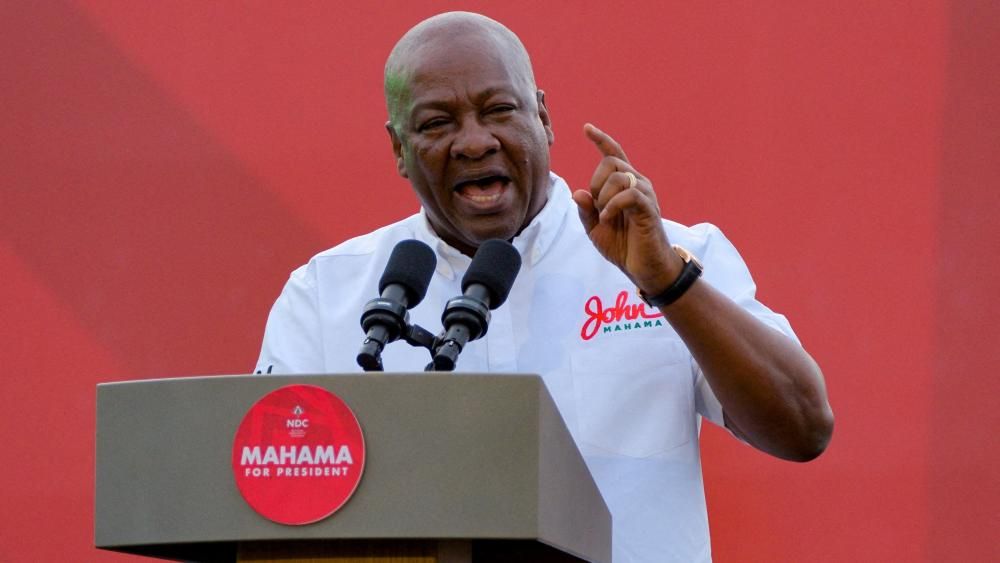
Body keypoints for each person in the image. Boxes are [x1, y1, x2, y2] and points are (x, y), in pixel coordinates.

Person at [256, 11, 833, 562]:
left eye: (499, 110)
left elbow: (803, 427)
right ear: (399, 150)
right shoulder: (323, 295)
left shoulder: (671, 256)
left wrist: (669, 284)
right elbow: (268, 509)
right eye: (436, 124)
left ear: (544, 117)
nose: (475, 142)